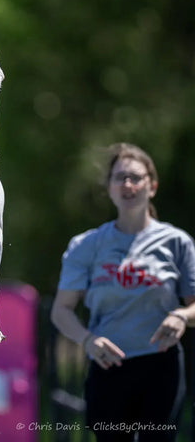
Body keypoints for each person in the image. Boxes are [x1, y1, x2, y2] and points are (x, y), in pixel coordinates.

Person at [51, 142, 195, 441]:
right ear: (110, 187)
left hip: (161, 365)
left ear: (152, 186)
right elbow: (61, 310)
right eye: (119, 177)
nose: (128, 184)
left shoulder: (177, 242)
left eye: (136, 177)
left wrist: (181, 316)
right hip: (107, 365)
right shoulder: (86, 245)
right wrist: (87, 340)